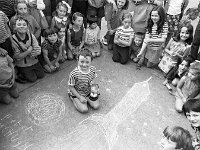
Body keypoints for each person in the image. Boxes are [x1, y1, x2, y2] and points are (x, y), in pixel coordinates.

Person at [12, 17, 45, 83]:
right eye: (19, 25)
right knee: (33, 79)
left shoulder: (31, 35)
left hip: (33, 60)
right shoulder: (13, 40)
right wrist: (28, 51)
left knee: (41, 75)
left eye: (24, 25)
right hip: (23, 64)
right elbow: (17, 57)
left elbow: (37, 48)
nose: (22, 26)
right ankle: (19, 73)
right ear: (15, 27)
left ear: (27, 27)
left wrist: (36, 52)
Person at [68, 48, 100, 113]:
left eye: (87, 62)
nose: (84, 65)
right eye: (82, 61)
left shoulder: (92, 69)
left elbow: (93, 79)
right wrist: (79, 97)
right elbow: (71, 87)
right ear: (78, 60)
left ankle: (86, 98)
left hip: (88, 91)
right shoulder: (74, 73)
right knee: (84, 110)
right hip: (78, 92)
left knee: (96, 106)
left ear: (91, 61)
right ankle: (72, 97)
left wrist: (94, 86)